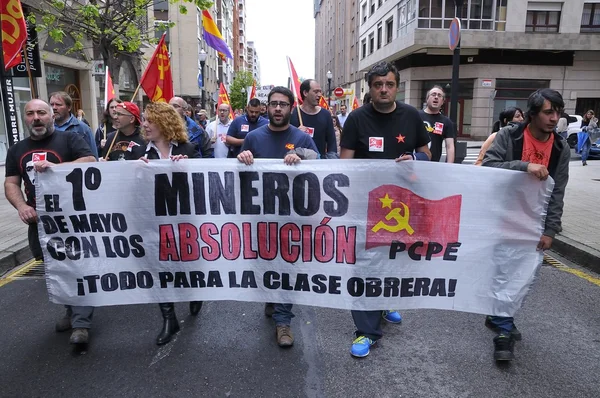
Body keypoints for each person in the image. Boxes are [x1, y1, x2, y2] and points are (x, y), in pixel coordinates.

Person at [340, 61, 431, 358]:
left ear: (397, 86)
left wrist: (416, 160)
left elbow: (427, 155)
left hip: (401, 206)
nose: (383, 89)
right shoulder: (355, 119)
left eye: (389, 84)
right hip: (365, 205)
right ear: (370, 87)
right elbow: (344, 164)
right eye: (378, 85)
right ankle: (366, 331)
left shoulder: (413, 117)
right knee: (365, 265)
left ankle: (384, 301)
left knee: (391, 260)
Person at [482, 88, 570, 362]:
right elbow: (489, 166)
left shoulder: (560, 147)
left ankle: (499, 316)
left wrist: (550, 230)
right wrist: (525, 166)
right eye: (548, 112)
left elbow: (558, 191)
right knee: (504, 272)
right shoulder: (510, 136)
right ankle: (503, 333)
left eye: (557, 112)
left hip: (534, 221)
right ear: (532, 114)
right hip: (503, 216)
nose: (554, 118)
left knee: (522, 275)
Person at [4, 99, 96, 345]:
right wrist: (23, 207)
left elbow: (89, 162)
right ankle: (71, 309)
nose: (36, 118)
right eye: (30, 113)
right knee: (55, 269)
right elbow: (11, 182)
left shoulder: (70, 140)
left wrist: (57, 167)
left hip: (72, 219)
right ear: (25, 118)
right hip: (39, 222)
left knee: (76, 267)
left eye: (42, 113)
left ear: (52, 116)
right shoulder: (16, 150)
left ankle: (81, 323)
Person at [237, 86, 319, 348]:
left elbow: (323, 164)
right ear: (266, 107)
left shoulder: (302, 137)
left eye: (283, 104)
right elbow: (239, 176)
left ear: (291, 108)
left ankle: (283, 321)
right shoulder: (253, 137)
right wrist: (241, 158)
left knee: (288, 265)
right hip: (262, 215)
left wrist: (302, 157)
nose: (278, 109)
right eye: (273, 104)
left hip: (293, 215)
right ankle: (272, 296)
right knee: (266, 262)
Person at [140, 102, 203, 345]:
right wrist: (135, 172)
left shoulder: (189, 148)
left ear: (165, 123)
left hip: (186, 221)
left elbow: (206, 183)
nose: (144, 124)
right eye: (144, 120)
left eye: (150, 120)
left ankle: (195, 291)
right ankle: (169, 318)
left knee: (187, 263)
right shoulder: (139, 153)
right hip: (154, 223)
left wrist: (188, 167)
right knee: (159, 269)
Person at [290, 79, 338, 158]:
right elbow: (287, 144)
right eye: (316, 92)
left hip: (319, 164)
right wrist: (297, 135)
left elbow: (332, 144)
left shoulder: (325, 114)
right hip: (298, 164)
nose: (319, 95)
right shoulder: (293, 114)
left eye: (320, 92)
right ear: (305, 93)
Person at [50, 91, 97, 159]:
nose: (54, 108)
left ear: (69, 107)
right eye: (51, 104)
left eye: (58, 104)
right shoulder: (46, 128)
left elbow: (93, 157)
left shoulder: (83, 128)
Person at [419, 86, 456, 163]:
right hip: (416, 162)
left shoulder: (446, 122)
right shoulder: (416, 116)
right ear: (427, 99)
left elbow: (450, 147)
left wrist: (450, 166)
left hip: (434, 165)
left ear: (442, 101)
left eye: (439, 96)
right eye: (433, 94)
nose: (436, 97)